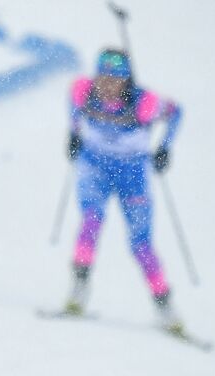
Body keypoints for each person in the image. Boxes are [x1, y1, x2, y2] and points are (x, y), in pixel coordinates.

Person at [62, 48, 184, 333]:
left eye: (115, 80)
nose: (107, 85)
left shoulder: (145, 103)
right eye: (103, 77)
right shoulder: (84, 91)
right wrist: (73, 133)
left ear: (126, 81)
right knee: (91, 220)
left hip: (132, 175)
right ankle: (78, 289)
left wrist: (165, 148)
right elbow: (73, 102)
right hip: (95, 166)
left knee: (141, 244)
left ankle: (165, 306)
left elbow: (176, 112)